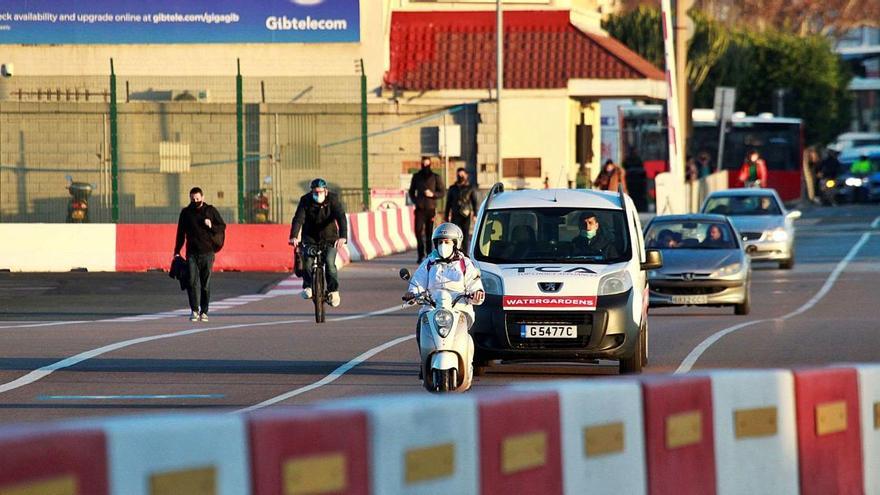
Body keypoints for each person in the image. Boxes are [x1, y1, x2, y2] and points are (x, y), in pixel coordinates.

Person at [403, 223, 485, 374]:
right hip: (432, 307)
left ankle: (467, 365)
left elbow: (474, 283)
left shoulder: (465, 263)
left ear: (456, 243)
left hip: (459, 308)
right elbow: (417, 283)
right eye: (440, 242)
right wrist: (412, 293)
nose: (443, 245)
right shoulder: (428, 263)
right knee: (420, 327)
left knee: (467, 335)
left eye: (447, 242)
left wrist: (476, 293)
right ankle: (425, 361)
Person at [288, 178, 348, 308]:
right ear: (311, 192)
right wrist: (293, 236)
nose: (318, 194)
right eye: (315, 192)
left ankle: (333, 291)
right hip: (310, 238)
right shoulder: (305, 200)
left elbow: (341, 217)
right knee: (307, 262)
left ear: (326, 191)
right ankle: (308, 286)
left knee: (330, 263)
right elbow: (298, 219)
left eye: (320, 192)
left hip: (330, 237)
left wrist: (343, 236)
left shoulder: (333, 199)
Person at [174, 187, 226, 322]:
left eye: (197, 199)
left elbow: (222, 226)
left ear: (202, 197)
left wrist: (211, 226)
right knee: (191, 281)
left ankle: (204, 311)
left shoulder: (210, 210)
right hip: (191, 253)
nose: (195, 201)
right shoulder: (186, 213)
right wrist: (176, 251)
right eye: (192, 199)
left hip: (208, 253)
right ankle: (194, 310)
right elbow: (180, 233)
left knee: (205, 284)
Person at [409, 156, 446, 263]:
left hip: (430, 209)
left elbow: (442, 192)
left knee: (430, 233)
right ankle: (420, 255)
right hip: (420, 209)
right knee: (418, 231)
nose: (425, 166)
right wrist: (416, 201)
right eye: (423, 164)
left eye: (427, 164)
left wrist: (432, 194)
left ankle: (429, 255)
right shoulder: (416, 177)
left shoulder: (435, 177)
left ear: (430, 165)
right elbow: (411, 191)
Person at [444, 167, 478, 252]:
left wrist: (475, 214)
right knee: (454, 234)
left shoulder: (470, 188)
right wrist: (446, 215)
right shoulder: (452, 188)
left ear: (466, 175)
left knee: (465, 235)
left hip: (466, 215)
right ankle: (455, 251)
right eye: (459, 175)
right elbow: (448, 203)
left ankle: (465, 253)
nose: (461, 176)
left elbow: (474, 202)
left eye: (462, 174)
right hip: (455, 214)